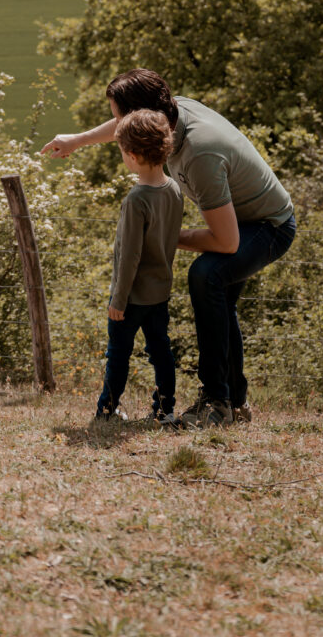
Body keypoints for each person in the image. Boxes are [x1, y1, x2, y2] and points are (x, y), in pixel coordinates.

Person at [41, 69, 296, 428]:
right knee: (219, 298)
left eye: (118, 118)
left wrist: (162, 236)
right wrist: (77, 140)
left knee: (206, 277)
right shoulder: (171, 113)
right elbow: (126, 125)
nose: (115, 128)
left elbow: (227, 242)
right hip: (238, 220)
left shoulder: (199, 153)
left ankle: (217, 401)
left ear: (142, 117)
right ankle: (233, 403)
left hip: (268, 225)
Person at [95, 109, 184, 423]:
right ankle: (165, 410)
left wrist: (118, 300)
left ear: (131, 155)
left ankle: (107, 410)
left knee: (118, 353)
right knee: (161, 351)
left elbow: (129, 255)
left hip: (131, 297)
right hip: (159, 292)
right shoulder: (174, 190)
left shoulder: (136, 200)